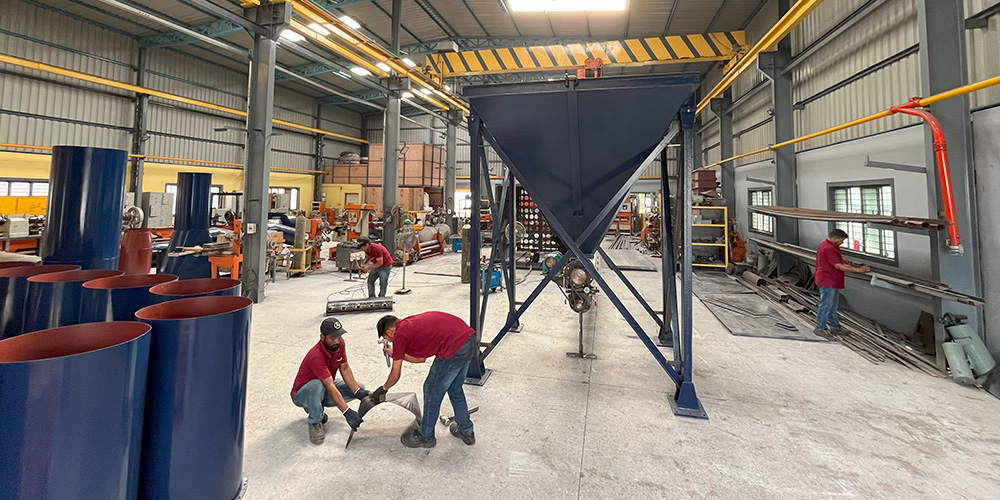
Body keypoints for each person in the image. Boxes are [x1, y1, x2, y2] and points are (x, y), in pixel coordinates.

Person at [369, 312, 477, 448]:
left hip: (453, 347)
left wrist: (383, 389)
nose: (390, 342)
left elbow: (395, 375)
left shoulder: (400, 334)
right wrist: (396, 353)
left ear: (390, 332)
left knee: (431, 389)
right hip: (468, 339)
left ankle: (426, 436)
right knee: (454, 388)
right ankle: (466, 430)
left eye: (387, 339)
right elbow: (421, 359)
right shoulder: (408, 324)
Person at [290, 317, 368, 445]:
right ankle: (315, 421)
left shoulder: (340, 344)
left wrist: (358, 391)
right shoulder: (316, 356)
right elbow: (330, 385)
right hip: (303, 393)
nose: (336, 341)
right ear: (322, 338)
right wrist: (347, 412)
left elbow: (345, 367)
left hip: (324, 386)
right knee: (317, 385)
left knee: (359, 386)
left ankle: (316, 407)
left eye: (338, 337)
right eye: (332, 338)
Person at [814, 229, 870, 334]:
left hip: (832, 281)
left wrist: (844, 262)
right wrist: (859, 270)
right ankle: (820, 328)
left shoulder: (830, 246)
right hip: (827, 281)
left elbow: (834, 261)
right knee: (826, 305)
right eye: (841, 240)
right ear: (834, 238)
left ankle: (835, 327)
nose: (842, 243)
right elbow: (838, 266)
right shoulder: (828, 248)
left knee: (833, 305)